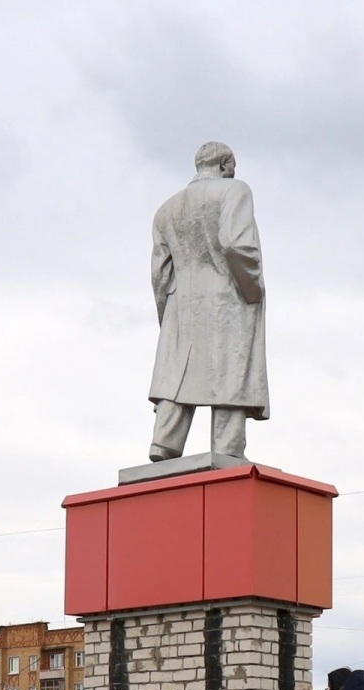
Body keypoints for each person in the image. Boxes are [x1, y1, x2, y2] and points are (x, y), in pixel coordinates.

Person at [147, 142, 268, 462]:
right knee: (228, 371)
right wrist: (252, 290)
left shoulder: (166, 210)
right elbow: (236, 243)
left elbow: (159, 275)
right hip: (227, 297)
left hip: (180, 304)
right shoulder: (234, 191)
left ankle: (164, 441)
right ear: (226, 164)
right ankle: (228, 449)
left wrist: (167, 316)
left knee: (177, 373)